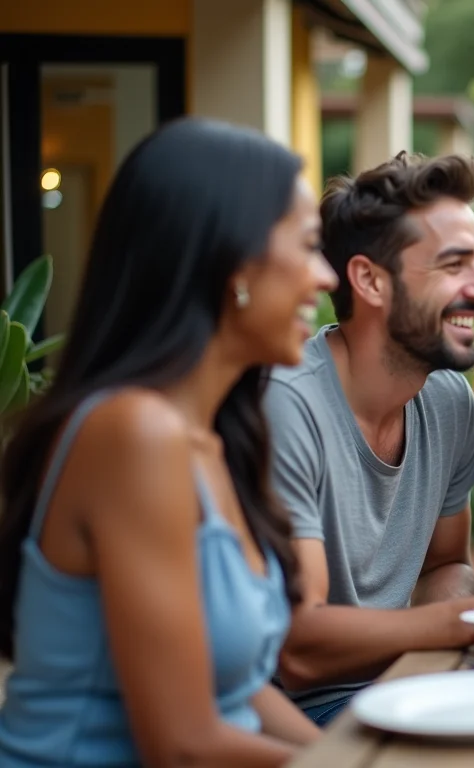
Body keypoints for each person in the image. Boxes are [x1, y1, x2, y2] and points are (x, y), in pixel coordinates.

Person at [0, 118, 334, 765]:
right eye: (309, 245)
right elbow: (181, 745)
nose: (325, 276)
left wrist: (351, 753)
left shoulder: (217, 436)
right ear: (232, 259)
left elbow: (235, 692)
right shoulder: (133, 433)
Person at [265, 152, 474, 727]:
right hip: (292, 717)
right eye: (454, 265)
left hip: (399, 688)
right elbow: (299, 651)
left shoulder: (447, 400)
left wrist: (449, 661)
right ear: (370, 279)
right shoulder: (285, 404)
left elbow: (444, 564)